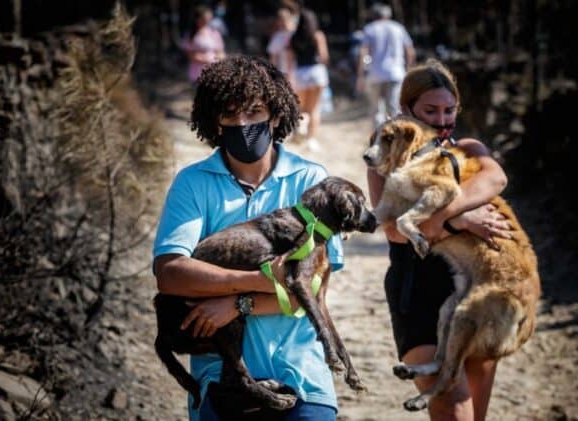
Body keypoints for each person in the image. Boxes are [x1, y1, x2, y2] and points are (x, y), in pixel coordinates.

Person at [153, 56, 344, 421]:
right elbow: (171, 273)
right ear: (216, 123)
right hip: (219, 379)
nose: (243, 123)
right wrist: (259, 281)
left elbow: (314, 290)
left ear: (275, 116)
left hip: (304, 378)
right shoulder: (193, 183)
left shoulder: (310, 181)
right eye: (230, 114)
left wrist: (236, 305)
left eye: (254, 112)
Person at [367, 59, 512, 421]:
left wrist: (444, 213)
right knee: (452, 404)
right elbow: (394, 230)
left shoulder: (468, 148)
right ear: (406, 109)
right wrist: (460, 219)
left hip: (475, 291)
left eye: (449, 110)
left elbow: (496, 179)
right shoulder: (386, 152)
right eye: (430, 110)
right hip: (416, 290)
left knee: (474, 414)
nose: (442, 119)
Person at [356, 3, 416, 129]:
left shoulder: (370, 29)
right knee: (393, 107)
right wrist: (408, 69)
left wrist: (361, 75)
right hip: (396, 73)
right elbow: (410, 50)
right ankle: (395, 137)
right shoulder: (398, 28)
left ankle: (378, 139)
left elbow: (363, 53)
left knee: (376, 109)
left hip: (375, 74)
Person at [289, 8, 329, 151]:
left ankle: (302, 126)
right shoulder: (318, 35)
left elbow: (290, 60)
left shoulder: (293, 37)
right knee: (314, 108)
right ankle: (311, 140)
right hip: (316, 72)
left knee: (303, 108)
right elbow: (324, 56)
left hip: (301, 73)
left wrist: (289, 77)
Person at [183, 5, 225, 84]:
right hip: (197, 74)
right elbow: (191, 56)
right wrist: (209, 60)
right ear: (197, 19)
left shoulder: (214, 33)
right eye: (204, 19)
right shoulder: (190, 35)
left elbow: (220, 52)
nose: (206, 21)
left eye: (208, 19)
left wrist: (219, 60)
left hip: (214, 74)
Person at [266, 0, 299, 82]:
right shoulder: (278, 37)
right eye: (282, 20)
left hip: (298, 70)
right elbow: (273, 57)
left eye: (286, 19)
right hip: (285, 72)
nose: (284, 23)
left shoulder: (297, 35)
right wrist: (274, 73)